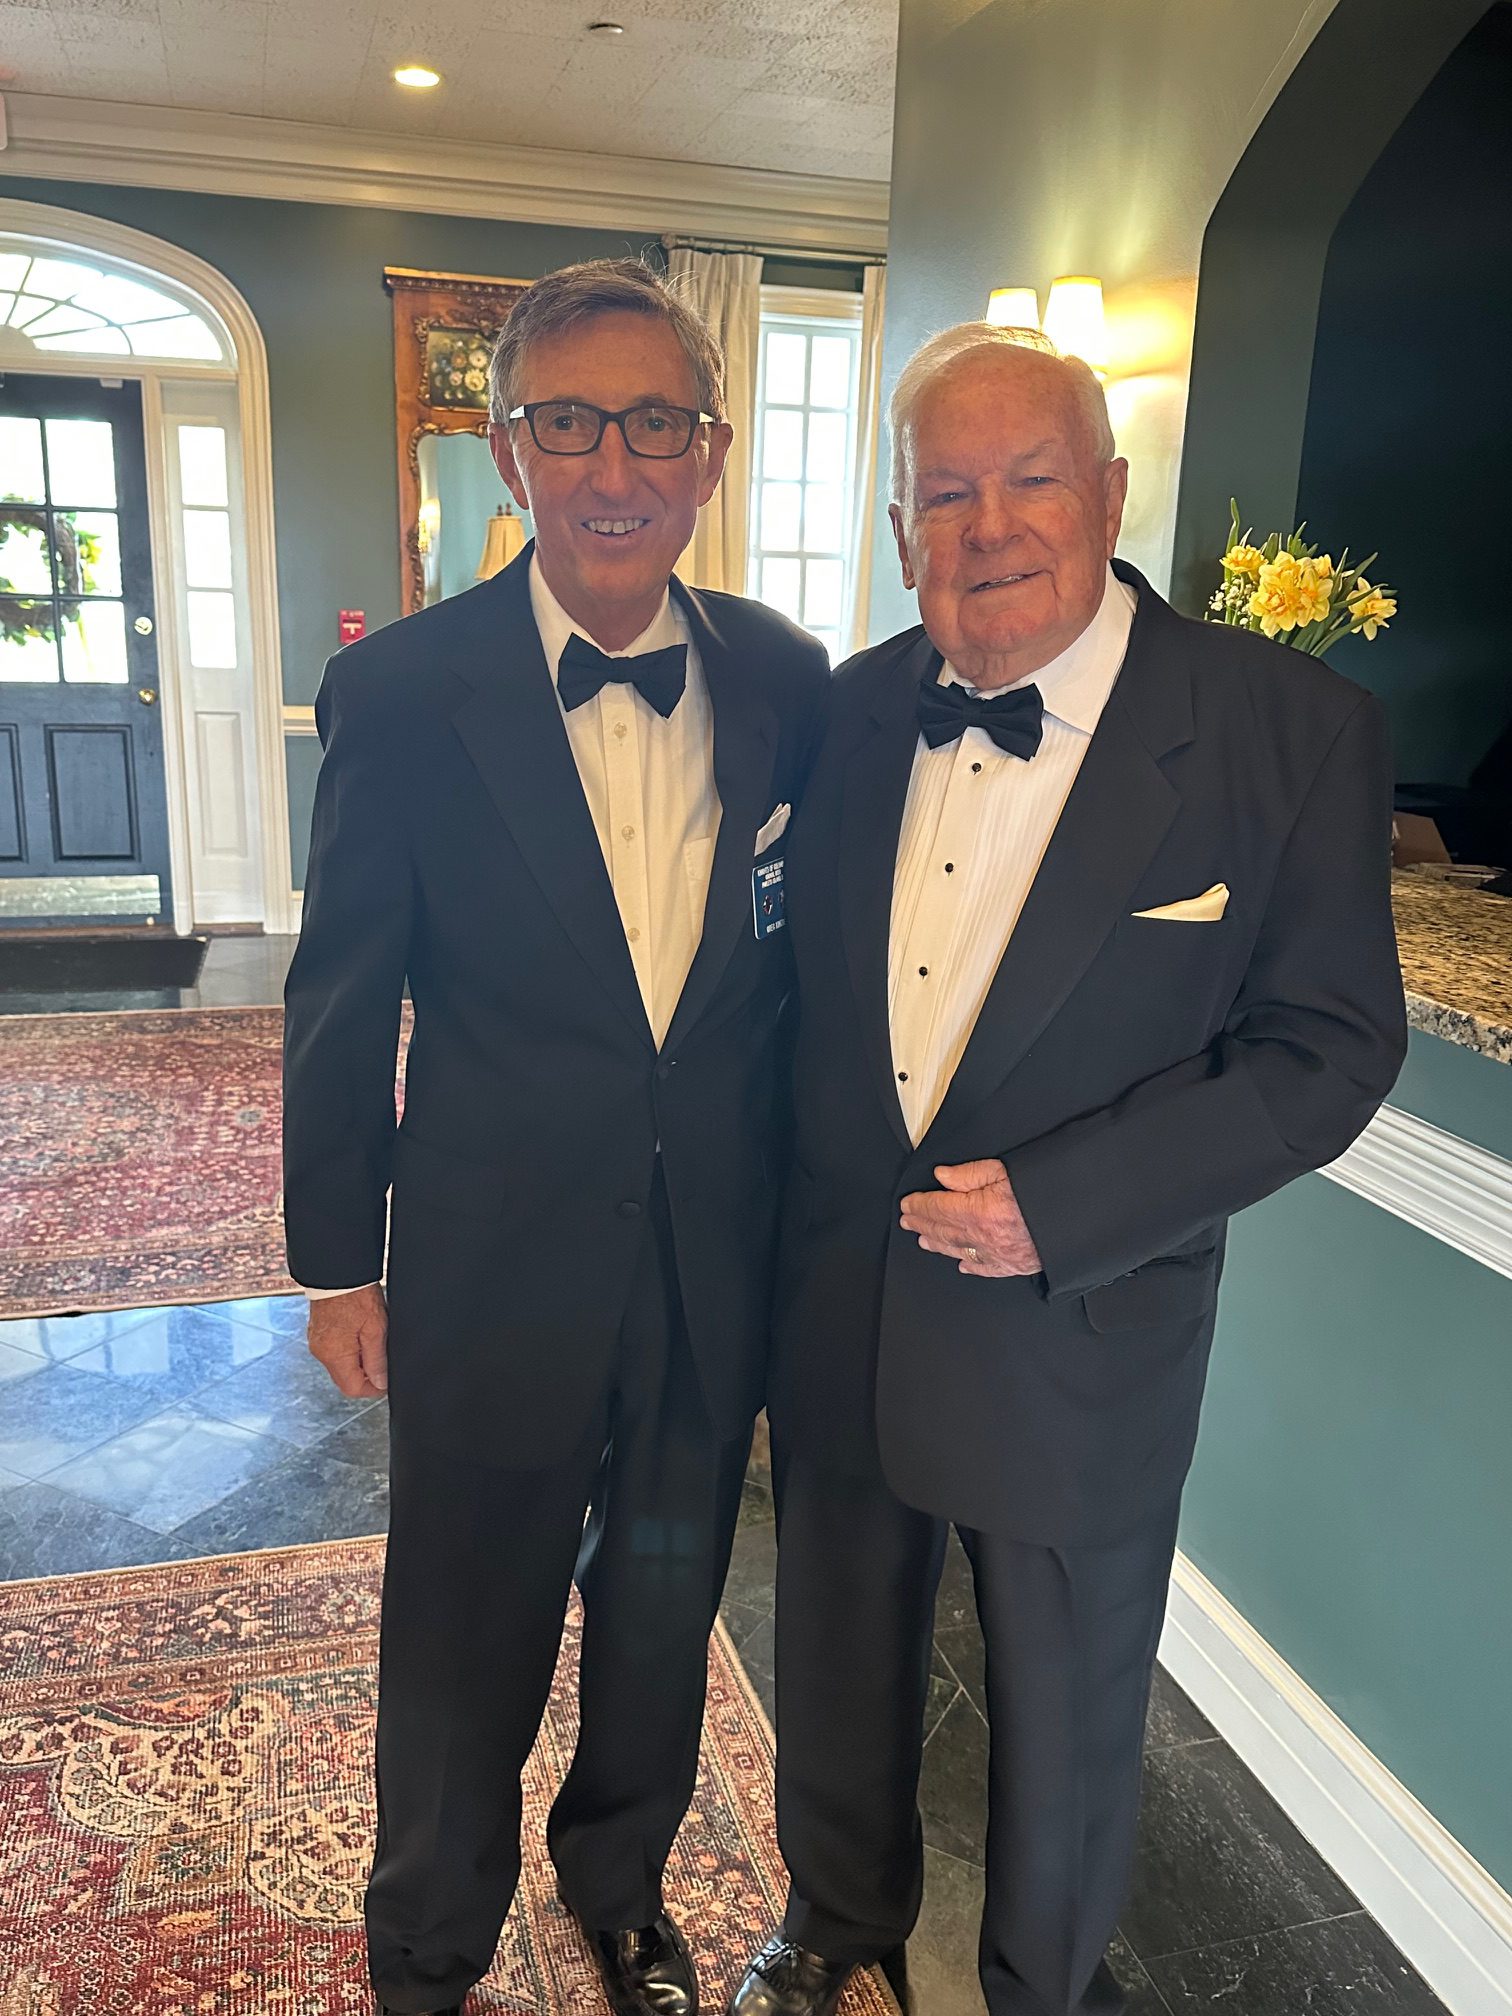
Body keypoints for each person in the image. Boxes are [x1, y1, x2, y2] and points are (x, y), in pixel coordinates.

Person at [729, 324, 1407, 2016]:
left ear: (1109, 495)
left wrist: (1064, 1206)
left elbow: (1330, 1049)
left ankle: (1045, 1982)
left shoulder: (1288, 728)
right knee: (838, 1644)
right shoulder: (844, 711)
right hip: (841, 1297)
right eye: (946, 493)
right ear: (900, 532)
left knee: (1068, 1705)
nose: (990, 527)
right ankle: (836, 1918)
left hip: (1082, 1321)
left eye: (1030, 479)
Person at [282, 258, 828, 2016]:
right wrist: (337, 1262)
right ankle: (428, 1946)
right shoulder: (401, 692)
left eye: (654, 424)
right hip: (492, 1259)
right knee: (463, 1635)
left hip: (707, 1263)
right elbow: (342, 994)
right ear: (508, 452)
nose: (614, 466)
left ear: (709, 455)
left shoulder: (786, 678)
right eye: (570, 423)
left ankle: (620, 1884)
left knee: (664, 1610)